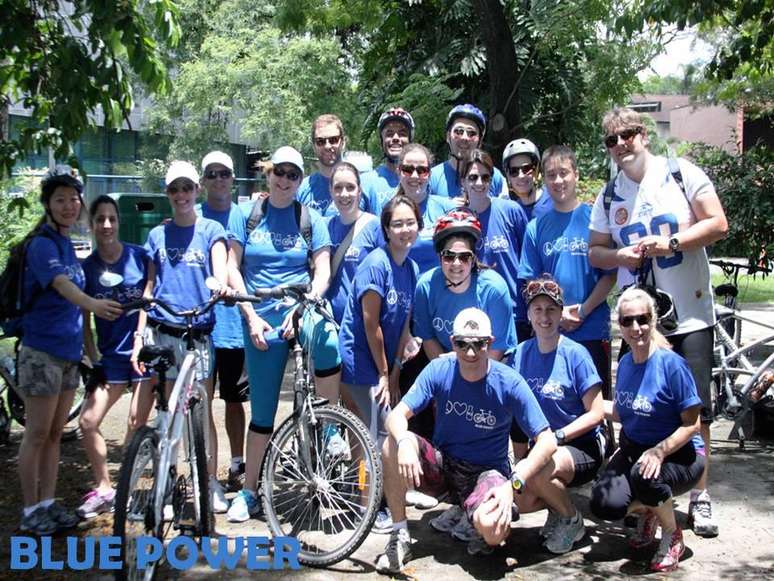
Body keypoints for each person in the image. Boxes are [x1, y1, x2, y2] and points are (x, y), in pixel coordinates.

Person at [588, 107, 728, 537]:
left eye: (627, 135)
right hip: (639, 323)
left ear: (643, 134)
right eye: (612, 140)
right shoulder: (610, 195)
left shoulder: (680, 173)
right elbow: (595, 252)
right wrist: (621, 256)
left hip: (687, 313)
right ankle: (653, 495)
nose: (620, 146)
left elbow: (718, 223)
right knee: (642, 408)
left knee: (694, 409)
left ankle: (699, 497)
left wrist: (671, 242)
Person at [375, 308, 556, 574]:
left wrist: (513, 483)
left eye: (478, 344)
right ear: (452, 342)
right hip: (444, 465)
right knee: (390, 444)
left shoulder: (509, 381)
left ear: (490, 343)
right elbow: (396, 415)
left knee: (494, 531)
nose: (470, 353)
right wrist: (403, 441)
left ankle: (476, 513)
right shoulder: (439, 369)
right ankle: (400, 536)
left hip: (486, 474)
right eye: (462, 344)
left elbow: (547, 440)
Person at [226, 146, 339, 523]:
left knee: (326, 338)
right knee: (261, 413)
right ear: (269, 172)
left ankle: (329, 429)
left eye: (294, 174)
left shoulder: (310, 218)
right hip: (259, 320)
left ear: (300, 180)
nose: (286, 180)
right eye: (281, 172)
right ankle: (249, 491)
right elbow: (232, 268)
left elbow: (322, 271)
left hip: (298, 308)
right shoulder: (246, 215)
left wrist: (306, 303)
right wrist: (250, 315)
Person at [17, 166, 123, 534]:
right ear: (48, 204)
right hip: (41, 353)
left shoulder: (65, 243)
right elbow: (62, 285)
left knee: (54, 434)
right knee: (35, 433)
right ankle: (30, 512)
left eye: (72, 199)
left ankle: (47, 503)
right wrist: (94, 305)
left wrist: (88, 353)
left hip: (67, 356)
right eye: (59, 199)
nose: (67, 205)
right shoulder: (42, 244)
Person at [132, 160, 229, 513]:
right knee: (169, 411)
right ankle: (168, 483)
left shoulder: (210, 231)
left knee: (200, 411)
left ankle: (209, 483)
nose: (181, 195)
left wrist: (218, 286)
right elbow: (150, 286)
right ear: (167, 194)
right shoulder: (157, 235)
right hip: (164, 329)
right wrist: (141, 330)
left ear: (196, 191)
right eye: (174, 189)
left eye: (187, 188)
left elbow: (219, 272)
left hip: (198, 333)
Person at [590, 287, 706, 572]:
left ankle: (672, 534)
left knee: (645, 477)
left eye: (642, 319)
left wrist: (660, 450)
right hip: (634, 450)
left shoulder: (672, 365)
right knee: (604, 503)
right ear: (620, 325)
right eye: (628, 321)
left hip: (679, 456)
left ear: (653, 320)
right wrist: (581, 405)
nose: (636, 327)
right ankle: (652, 512)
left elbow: (693, 424)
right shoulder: (627, 362)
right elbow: (622, 410)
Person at [508, 276, 605, 554]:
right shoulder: (520, 354)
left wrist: (558, 436)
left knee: (540, 470)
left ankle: (572, 519)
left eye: (551, 309)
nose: (544, 317)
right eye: (537, 309)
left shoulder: (577, 354)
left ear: (561, 312)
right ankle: (557, 507)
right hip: (543, 447)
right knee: (522, 500)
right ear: (528, 314)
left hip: (580, 445)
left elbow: (597, 413)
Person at [77, 196, 153, 519]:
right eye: (99, 219)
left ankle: (128, 492)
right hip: (111, 360)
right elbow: (84, 322)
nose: (106, 225)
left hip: (143, 354)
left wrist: (140, 338)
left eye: (111, 219)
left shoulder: (140, 256)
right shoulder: (87, 268)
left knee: (136, 424)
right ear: (92, 224)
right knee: (87, 421)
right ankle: (105, 488)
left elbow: (150, 301)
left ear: (119, 222)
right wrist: (93, 359)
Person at [519, 145, 614, 397]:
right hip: (550, 329)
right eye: (551, 175)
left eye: (564, 173)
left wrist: (583, 311)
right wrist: (556, 315)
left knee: (597, 403)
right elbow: (531, 282)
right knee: (553, 399)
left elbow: (609, 275)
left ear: (576, 175)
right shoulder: (535, 228)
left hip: (592, 327)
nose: (558, 180)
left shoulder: (596, 220)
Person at [339, 195, 420, 448]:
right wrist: (383, 376)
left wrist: (394, 371)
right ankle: (371, 487)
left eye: (410, 222)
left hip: (385, 364)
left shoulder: (411, 268)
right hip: (361, 361)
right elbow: (370, 324)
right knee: (382, 433)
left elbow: (404, 325)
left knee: (374, 434)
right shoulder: (376, 264)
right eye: (397, 224)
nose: (404, 230)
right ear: (386, 229)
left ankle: (367, 486)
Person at [197, 150, 248, 496]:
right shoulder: (192, 215)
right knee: (201, 401)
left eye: (224, 174)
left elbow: (240, 264)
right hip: (200, 326)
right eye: (212, 174)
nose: (219, 179)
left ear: (232, 179)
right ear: (202, 181)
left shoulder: (242, 216)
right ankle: (207, 474)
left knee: (234, 400)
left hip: (232, 326)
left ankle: (238, 463)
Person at [413, 208, 516, 361]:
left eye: (464, 257)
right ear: (439, 257)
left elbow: (497, 349)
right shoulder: (425, 287)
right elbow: (428, 339)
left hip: (491, 362)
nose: (456, 263)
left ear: (474, 259)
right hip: (446, 364)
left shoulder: (495, 289)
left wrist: (467, 372)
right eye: (448, 256)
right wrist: (447, 372)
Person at [459, 149, 530, 341]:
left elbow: (529, 261)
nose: (480, 183)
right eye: (473, 177)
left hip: (516, 314)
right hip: (475, 316)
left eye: (485, 177)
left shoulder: (511, 211)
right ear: (463, 181)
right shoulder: (457, 220)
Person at [325, 161, 384, 323]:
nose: (344, 194)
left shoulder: (375, 227)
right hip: (328, 321)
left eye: (350, 187)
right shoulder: (323, 226)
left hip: (363, 323)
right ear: (330, 191)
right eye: (338, 188)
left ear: (359, 191)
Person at [389, 143, 456, 276]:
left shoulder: (448, 209)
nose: (414, 176)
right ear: (399, 171)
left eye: (421, 170)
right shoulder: (388, 212)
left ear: (429, 174)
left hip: (438, 291)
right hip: (403, 291)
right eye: (408, 169)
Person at [429, 104, 507, 199]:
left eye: (471, 133)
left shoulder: (495, 177)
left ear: (480, 140)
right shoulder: (432, 177)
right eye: (458, 132)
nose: (465, 138)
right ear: (448, 136)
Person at [361, 107, 415, 203]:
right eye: (389, 134)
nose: (395, 138)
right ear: (381, 140)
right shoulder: (365, 182)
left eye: (402, 133)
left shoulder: (423, 179)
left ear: (410, 140)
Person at [501, 138, 553, 222]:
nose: (521, 176)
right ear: (508, 176)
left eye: (526, 169)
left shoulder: (554, 199)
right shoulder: (512, 213)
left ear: (536, 170)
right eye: (514, 171)